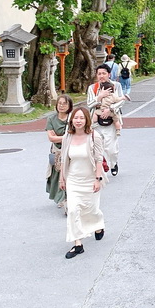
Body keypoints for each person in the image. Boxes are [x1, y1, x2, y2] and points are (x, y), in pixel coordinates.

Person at [59, 107, 106, 259]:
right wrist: (62, 178)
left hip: (90, 179)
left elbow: (99, 159)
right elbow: (64, 159)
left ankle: (98, 225)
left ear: (86, 120)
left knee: (91, 210)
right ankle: (77, 243)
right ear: (71, 120)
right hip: (73, 179)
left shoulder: (94, 136)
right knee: (73, 210)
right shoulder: (67, 136)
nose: (78, 121)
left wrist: (97, 179)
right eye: (75, 118)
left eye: (81, 118)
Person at [45, 94, 73, 208]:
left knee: (69, 172)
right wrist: (67, 137)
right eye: (59, 103)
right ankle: (60, 197)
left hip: (70, 149)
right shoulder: (51, 118)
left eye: (64, 103)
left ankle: (68, 197)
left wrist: (59, 137)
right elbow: (51, 138)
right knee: (56, 173)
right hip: (56, 150)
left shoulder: (72, 118)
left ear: (69, 105)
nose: (61, 106)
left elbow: (76, 135)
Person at [92, 103, 122, 177]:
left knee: (111, 149)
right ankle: (100, 169)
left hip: (111, 122)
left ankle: (113, 163)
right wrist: (99, 98)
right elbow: (90, 103)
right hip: (96, 123)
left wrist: (110, 109)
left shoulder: (115, 90)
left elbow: (121, 101)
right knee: (97, 148)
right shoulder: (93, 90)